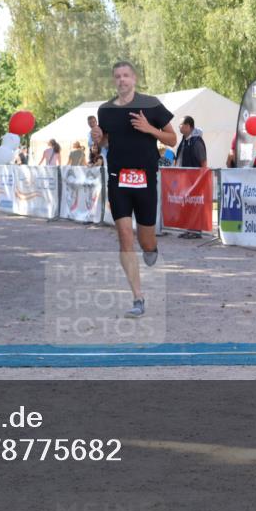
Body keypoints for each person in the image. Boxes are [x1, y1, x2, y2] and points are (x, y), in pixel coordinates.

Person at [91, 60, 177, 318]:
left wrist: (149, 129)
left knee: (145, 239)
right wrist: (99, 139)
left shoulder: (151, 105)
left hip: (146, 179)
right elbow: (106, 141)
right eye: (117, 76)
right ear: (113, 80)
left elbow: (173, 138)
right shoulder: (105, 110)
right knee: (125, 236)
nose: (122, 80)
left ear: (134, 78)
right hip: (118, 179)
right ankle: (138, 298)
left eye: (126, 75)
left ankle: (151, 248)